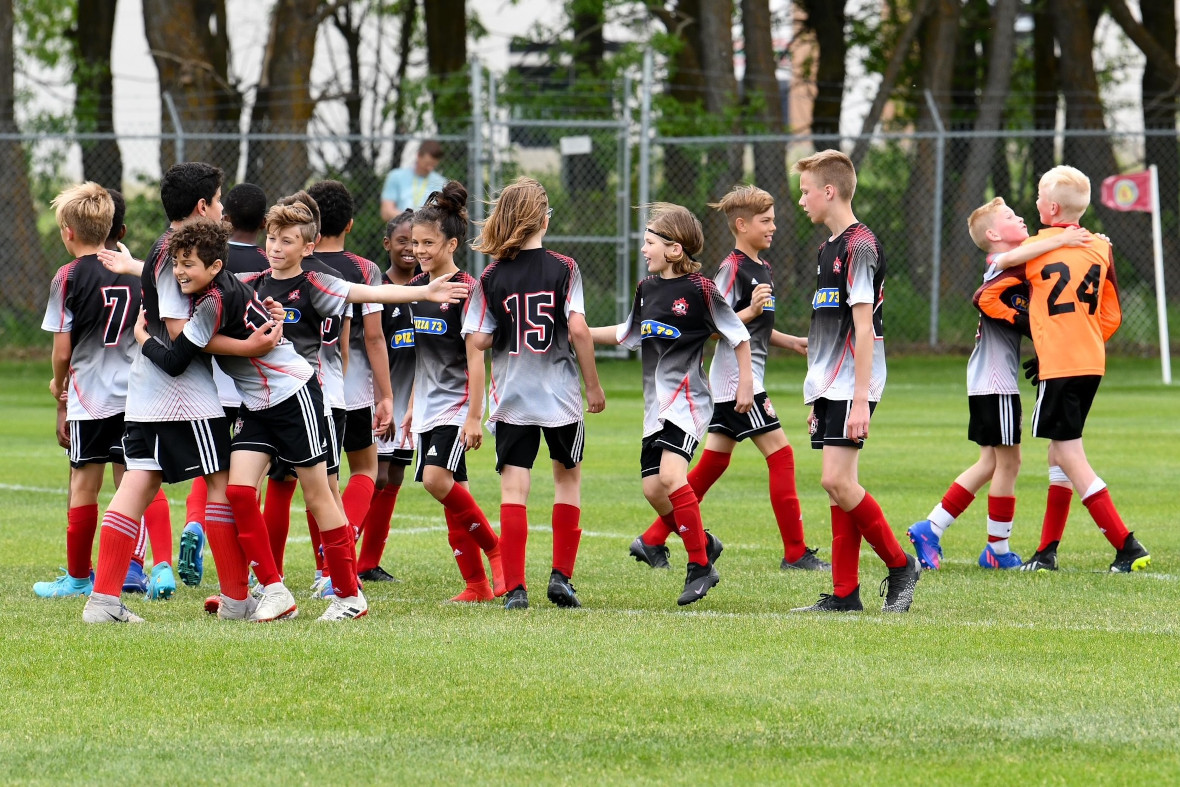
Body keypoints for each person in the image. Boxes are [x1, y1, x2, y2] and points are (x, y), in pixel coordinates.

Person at [84, 162, 284, 624]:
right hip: (183, 397)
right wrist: (248, 345)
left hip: (146, 393)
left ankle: (103, 601)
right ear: (201, 207)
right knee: (218, 486)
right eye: (217, 201)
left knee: (138, 482)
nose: (222, 210)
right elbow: (179, 338)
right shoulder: (176, 254)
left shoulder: (166, 249)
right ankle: (236, 600)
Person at [628, 185, 825, 573]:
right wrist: (749, 314)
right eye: (765, 221)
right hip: (736, 381)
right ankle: (795, 553)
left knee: (712, 465)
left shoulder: (762, 268)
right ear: (742, 225)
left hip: (739, 379)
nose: (773, 227)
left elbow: (751, 325)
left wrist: (790, 342)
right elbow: (711, 327)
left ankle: (652, 539)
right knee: (782, 457)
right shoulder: (730, 268)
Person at [977, 166, 1150, 574]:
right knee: (1059, 449)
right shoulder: (1100, 248)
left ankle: (1127, 545)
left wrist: (1037, 330)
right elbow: (1111, 313)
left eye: (1038, 194)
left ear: (1051, 207)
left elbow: (986, 297)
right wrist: (1079, 335)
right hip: (1090, 360)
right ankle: (1047, 550)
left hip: (1062, 362)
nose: (1034, 200)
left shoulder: (1037, 247)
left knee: (1069, 454)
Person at [908, 198, 1091, 570]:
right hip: (995, 381)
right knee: (1006, 463)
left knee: (994, 462)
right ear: (993, 235)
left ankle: (948, 532)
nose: (1020, 217)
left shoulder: (1012, 267)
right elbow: (1014, 272)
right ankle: (984, 545)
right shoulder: (998, 264)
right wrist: (1064, 239)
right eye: (1009, 217)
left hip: (988, 379)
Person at [590, 203, 752, 607]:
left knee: (671, 476)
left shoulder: (701, 290)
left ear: (674, 249)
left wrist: (745, 385)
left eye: (649, 242)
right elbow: (626, 334)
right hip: (654, 407)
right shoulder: (647, 290)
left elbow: (738, 334)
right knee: (652, 489)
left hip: (687, 400)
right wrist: (580, 331)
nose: (643, 249)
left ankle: (700, 566)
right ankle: (704, 541)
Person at [788, 150, 921, 614]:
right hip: (833, 385)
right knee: (836, 485)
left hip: (853, 385)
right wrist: (818, 393)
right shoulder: (828, 248)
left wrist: (860, 399)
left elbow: (865, 329)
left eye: (805, 192)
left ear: (829, 191)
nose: (801, 200)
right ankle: (845, 594)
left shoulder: (860, 246)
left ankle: (902, 564)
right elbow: (830, 328)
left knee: (837, 480)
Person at [465, 177, 606, 610]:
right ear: (544, 219)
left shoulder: (490, 275)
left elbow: (479, 340)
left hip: (512, 396)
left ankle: (516, 589)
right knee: (567, 479)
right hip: (560, 396)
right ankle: (561, 577)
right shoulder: (565, 267)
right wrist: (594, 386)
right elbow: (579, 329)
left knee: (514, 490)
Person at [36, 183, 152, 599]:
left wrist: (59, 385)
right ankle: (128, 571)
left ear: (68, 231)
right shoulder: (135, 270)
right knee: (130, 485)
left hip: (91, 399)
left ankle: (78, 578)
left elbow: (62, 350)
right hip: (136, 397)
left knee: (84, 485)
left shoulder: (66, 277)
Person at [400, 182, 505, 602]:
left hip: (457, 403)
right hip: (427, 405)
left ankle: (496, 550)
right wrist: (410, 407)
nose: (419, 250)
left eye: (428, 243)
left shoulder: (467, 289)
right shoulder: (417, 290)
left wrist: (475, 416)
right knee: (449, 493)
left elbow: (476, 357)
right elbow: (421, 357)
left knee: (435, 479)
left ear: (452, 243)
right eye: (414, 242)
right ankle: (477, 585)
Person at [180, 181, 270, 587]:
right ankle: (249, 570)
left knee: (212, 470)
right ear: (265, 223)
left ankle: (195, 524)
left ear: (227, 219)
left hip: (216, 384)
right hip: (254, 388)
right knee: (250, 482)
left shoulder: (211, 259)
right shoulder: (271, 260)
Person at [307, 180, 389, 594]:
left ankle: (326, 563)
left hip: (300, 389)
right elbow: (374, 338)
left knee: (316, 477)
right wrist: (386, 395)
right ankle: (343, 550)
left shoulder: (293, 264)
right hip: (350, 390)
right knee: (365, 469)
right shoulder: (363, 269)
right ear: (351, 224)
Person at [357, 211, 419, 582]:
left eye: (417, 242)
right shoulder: (377, 290)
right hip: (381, 399)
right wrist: (383, 398)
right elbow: (372, 346)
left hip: (413, 401)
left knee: (394, 475)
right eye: (402, 241)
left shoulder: (429, 288)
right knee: (377, 476)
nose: (410, 249)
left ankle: (369, 562)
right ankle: (344, 551)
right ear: (387, 245)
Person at [380, 140, 446, 220]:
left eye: (433, 165)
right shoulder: (396, 176)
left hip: (428, 230)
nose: (430, 168)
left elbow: (443, 215)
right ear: (418, 156)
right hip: (402, 228)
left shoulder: (441, 182)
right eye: (427, 164)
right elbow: (386, 212)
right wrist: (413, 219)